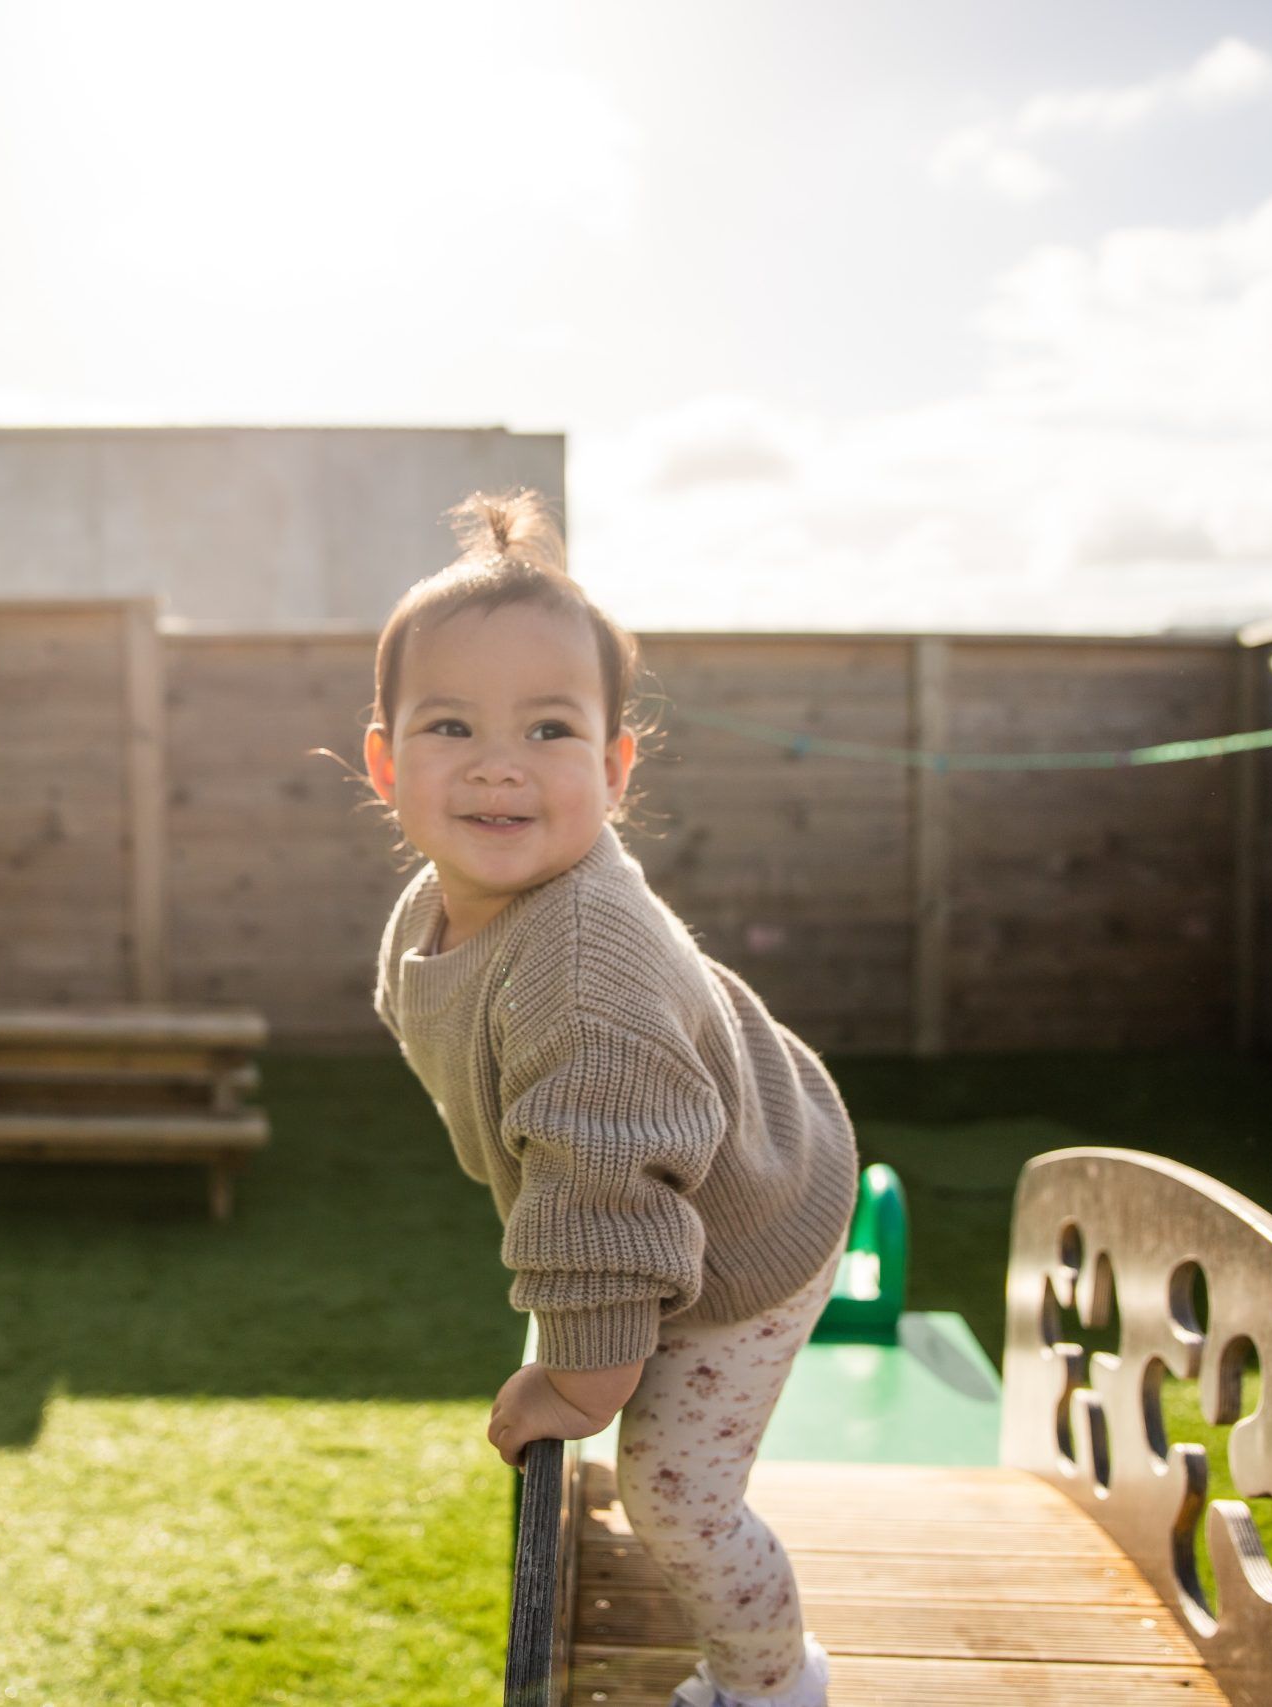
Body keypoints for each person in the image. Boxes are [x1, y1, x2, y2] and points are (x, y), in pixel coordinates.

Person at [363, 487, 862, 1707]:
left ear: (614, 764)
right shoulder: (443, 909)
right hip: (688, 1145)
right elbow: (553, 1135)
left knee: (677, 1500)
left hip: (753, 1226)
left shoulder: (585, 979)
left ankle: (771, 1681)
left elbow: (605, 1187)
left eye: (547, 730)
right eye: (447, 726)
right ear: (384, 765)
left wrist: (577, 1379)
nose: (496, 763)